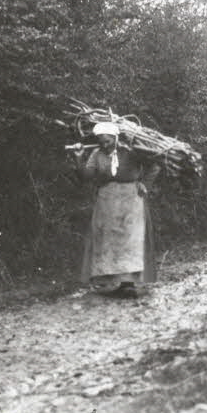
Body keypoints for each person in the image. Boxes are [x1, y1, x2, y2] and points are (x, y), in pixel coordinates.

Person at [75, 121, 160, 297]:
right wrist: (78, 157)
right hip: (107, 201)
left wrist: (146, 184)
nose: (104, 144)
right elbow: (86, 176)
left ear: (115, 137)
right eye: (101, 141)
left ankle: (128, 283)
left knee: (131, 240)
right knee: (108, 240)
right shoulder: (97, 154)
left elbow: (155, 164)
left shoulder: (130, 151)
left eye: (107, 141)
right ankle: (111, 280)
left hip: (131, 199)